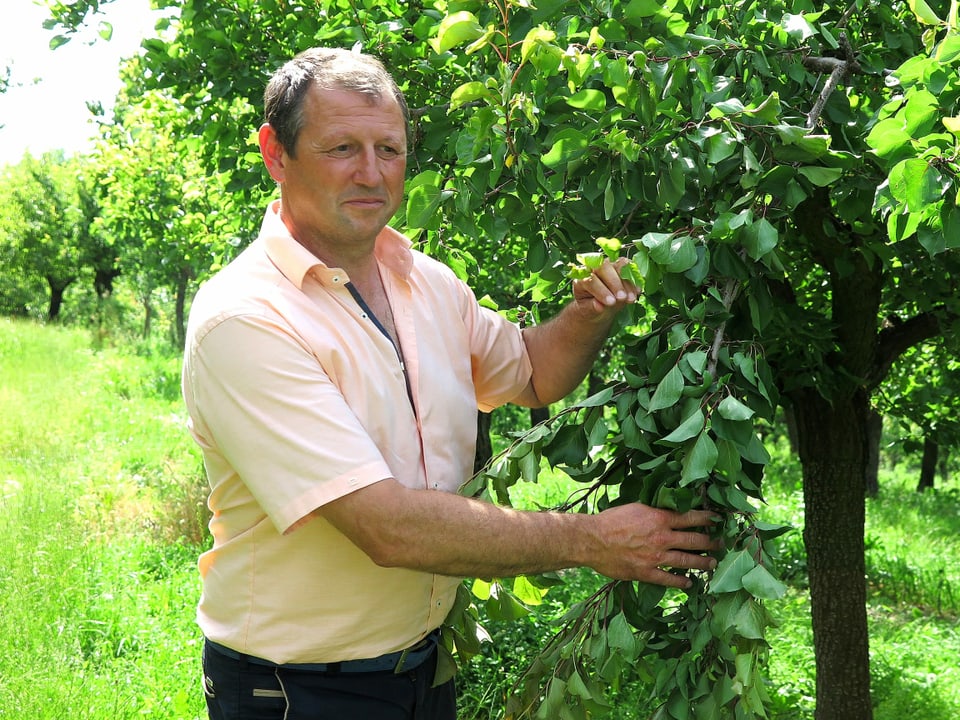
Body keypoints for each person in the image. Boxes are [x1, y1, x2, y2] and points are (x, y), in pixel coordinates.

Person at [181, 46, 719, 720]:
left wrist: (586, 314)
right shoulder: (247, 320)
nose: (371, 173)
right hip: (298, 692)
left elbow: (529, 373)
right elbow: (386, 528)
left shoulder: (424, 281)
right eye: (342, 147)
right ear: (275, 153)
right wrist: (591, 540)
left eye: (390, 149)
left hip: (424, 670)